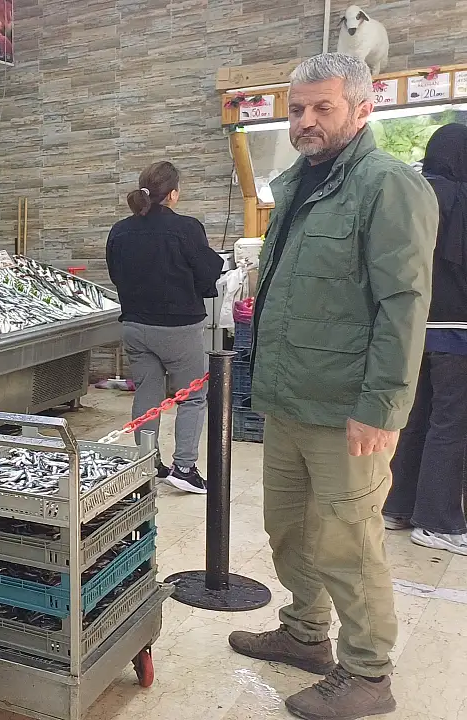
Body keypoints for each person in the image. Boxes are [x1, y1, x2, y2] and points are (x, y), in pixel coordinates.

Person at [228, 53, 437, 720]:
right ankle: (304, 634)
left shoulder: (388, 185)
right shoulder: (296, 183)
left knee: (348, 543)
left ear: (363, 109)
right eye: (296, 109)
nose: (305, 121)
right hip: (289, 398)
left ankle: (369, 673)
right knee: (290, 531)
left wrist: (382, 407)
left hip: (348, 408)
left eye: (323, 107)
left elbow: (403, 306)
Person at [105, 161, 223, 494]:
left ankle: (147, 464)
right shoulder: (186, 228)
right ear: (172, 194)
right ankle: (184, 468)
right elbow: (207, 274)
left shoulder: (119, 231)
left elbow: (116, 275)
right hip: (178, 329)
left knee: (147, 393)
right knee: (192, 397)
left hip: (134, 326)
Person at [383, 123, 467, 555]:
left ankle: (397, 506)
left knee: (415, 417)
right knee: (451, 423)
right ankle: (437, 521)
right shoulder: (461, 197)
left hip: (411, 326)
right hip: (458, 328)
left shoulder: (412, 192)